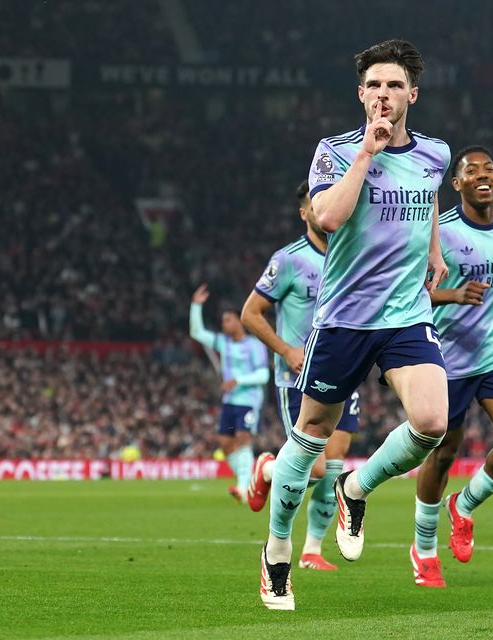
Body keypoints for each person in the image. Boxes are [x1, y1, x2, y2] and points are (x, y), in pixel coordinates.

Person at [259, 38, 451, 610]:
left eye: (394, 86)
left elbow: (429, 199)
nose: (384, 95)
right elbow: (327, 216)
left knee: (432, 421)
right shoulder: (335, 151)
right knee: (311, 435)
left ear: (412, 94)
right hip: (344, 318)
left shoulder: (435, 153)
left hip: (404, 316)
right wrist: (367, 154)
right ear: (360, 94)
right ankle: (275, 553)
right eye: (374, 86)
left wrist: (435, 249)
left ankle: (355, 486)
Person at [410, 146, 493, 587]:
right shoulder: (438, 234)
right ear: (457, 184)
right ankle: (424, 549)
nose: (482, 175)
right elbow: (405, 290)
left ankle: (463, 506)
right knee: (443, 453)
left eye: (489, 168)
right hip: (448, 357)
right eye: (471, 171)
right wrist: (453, 295)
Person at [241, 179, 361, 572]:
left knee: (336, 462)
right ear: (306, 212)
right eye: (316, 203)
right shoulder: (289, 259)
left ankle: (312, 549)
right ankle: (268, 469)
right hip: (298, 378)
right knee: (316, 466)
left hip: (345, 370)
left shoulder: (353, 256)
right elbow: (250, 314)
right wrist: (288, 350)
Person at [189, 285, 269, 502]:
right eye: (223, 321)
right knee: (225, 444)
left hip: (249, 400)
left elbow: (263, 375)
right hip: (230, 401)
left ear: (238, 320)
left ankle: (243, 488)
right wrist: (196, 306)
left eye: (227, 320)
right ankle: (249, 480)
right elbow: (196, 332)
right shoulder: (223, 343)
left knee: (243, 439)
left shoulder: (254, 345)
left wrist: (238, 380)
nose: (224, 325)